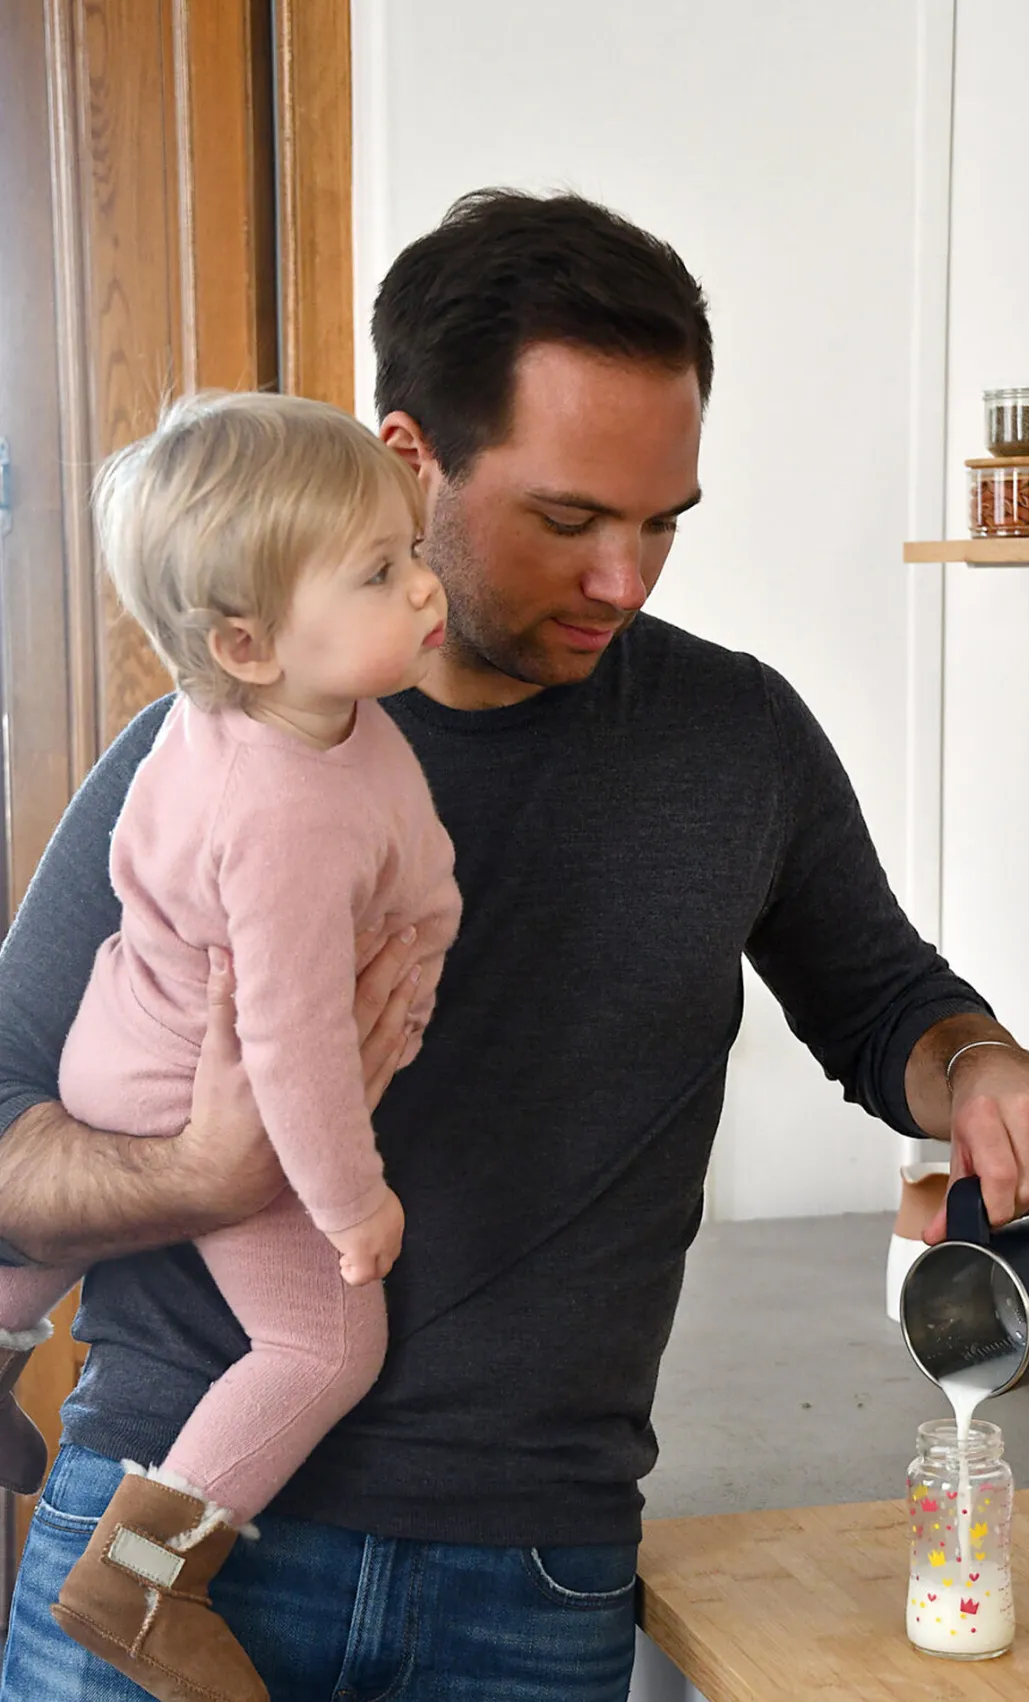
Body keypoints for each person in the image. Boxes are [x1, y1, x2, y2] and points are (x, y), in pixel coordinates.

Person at [0, 190, 1029, 1702]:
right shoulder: (214, 754)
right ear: (408, 458)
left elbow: (888, 1001)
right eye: (570, 521)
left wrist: (981, 1066)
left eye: (662, 522)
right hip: (164, 1519)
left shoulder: (736, 740)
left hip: (530, 1584)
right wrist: (205, 1173)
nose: (625, 580)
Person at [0, 392, 460, 1702]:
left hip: (121, 1034)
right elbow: (293, 1045)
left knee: (69, 1234)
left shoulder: (288, 715)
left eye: (410, 549)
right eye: (377, 573)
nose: (425, 587)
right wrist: (350, 1202)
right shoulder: (284, 819)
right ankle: (140, 1582)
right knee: (324, 1347)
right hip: (181, 1088)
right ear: (248, 645)